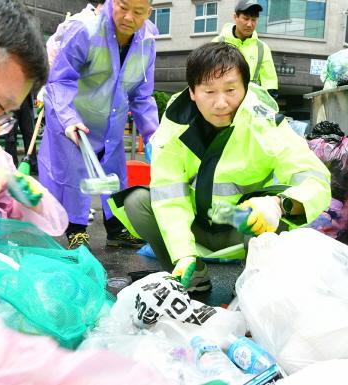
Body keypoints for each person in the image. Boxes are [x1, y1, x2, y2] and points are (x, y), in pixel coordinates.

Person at [0, 1, 165, 383]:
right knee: (70, 183)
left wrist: (153, 132)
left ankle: (111, 228)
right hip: (75, 124)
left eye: (4, 116)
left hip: (111, 126)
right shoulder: (85, 31)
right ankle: (82, 227)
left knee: (106, 186)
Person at [113, 42, 331, 292]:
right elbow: (169, 195)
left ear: (245, 88)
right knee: (137, 200)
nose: (220, 103)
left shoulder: (264, 123)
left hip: (236, 219)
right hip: (195, 218)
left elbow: (313, 178)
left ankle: (256, 289)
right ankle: (190, 275)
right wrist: (183, 253)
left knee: (267, 218)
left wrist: (279, 204)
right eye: (209, 92)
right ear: (193, 92)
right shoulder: (174, 126)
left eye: (230, 90)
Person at [38, 0, 159, 250]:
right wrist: (69, 120)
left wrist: (152, 135)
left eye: (138, 12)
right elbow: (60, 81)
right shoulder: (86, 30)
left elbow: (142, 95)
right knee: (74, 172)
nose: (128, 17)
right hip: (72, 115)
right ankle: (76, 230)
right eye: (123, 7)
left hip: (111, 118)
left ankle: (117, 229)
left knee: (114, 174)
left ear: (149, 13)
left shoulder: (148, 41)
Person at [213, 0, 278, 99]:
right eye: (246, 18)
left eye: (253, 20)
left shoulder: (262, 48)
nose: (249, 24)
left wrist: (269, 104)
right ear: (235, 17)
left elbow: (269, 82)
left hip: (250, 106)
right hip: (223, 102)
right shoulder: (217, 43)